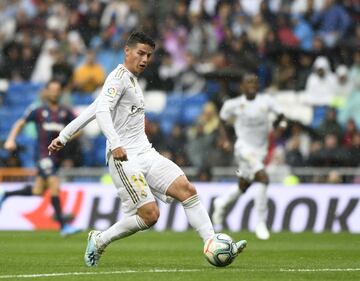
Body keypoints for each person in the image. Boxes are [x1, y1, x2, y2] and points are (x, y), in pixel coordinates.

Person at [48, 31, 247, 267]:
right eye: (140, 53)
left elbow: (94, 107)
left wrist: (64, 135)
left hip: (146, 152)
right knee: (150, 216)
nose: (144, 59)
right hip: (124, 158)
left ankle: (212, 242)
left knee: (187, 189)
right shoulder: (117, 78)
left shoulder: (132, 80)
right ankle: (100, 239)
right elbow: (102, 112)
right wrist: (116, 143)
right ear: (127, 51)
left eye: (149, 55)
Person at [0, 79, 80, 236]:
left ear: (60, 92)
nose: (55, 92)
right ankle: (63, 226)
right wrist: (11, 139)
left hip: (56, 158)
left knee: (38, 191)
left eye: (57, 89)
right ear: (47, 91)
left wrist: (67, 138)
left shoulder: (65, 112)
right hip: (43, 155)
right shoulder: (38, 111)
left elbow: (80, 127)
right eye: (52, 89)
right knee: (54, 183)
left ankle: (6, 194)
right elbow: (19, 123)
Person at [211, 73, 286, 240]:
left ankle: (221, 203)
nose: (252, 84)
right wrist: (225, 140)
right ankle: (260, 222)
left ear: (258, 85)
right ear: (242, 87)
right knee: (263, 178)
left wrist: (279, 127)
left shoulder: (267, 101)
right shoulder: (234, 104)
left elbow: (282, 117)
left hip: (261, 150)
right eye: (248, 82)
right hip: (243, 148)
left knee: (244, 184)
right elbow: (221, 121)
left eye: (254, 82)